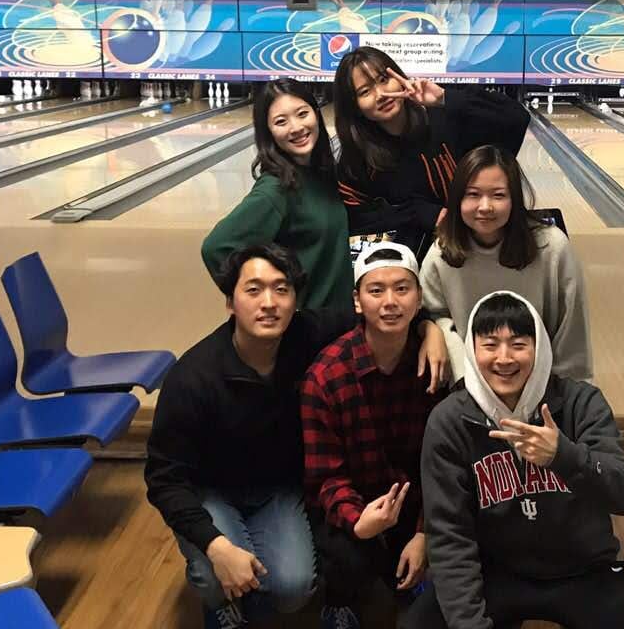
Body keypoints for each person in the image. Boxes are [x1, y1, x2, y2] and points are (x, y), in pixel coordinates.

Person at [145, 243, 447, 629]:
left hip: (277, 489)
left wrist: (429, 328)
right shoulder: (193, 378)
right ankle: (216, 596)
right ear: (230, 302)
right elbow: (163, 478)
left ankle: (242, 578)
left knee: (292, 589)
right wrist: (216, 545)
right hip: (210, 491)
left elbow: (384, 312)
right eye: (253, 290)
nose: (269, 303)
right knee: (213, 569)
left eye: (281, 289)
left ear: (294, 301)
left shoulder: (306, 333)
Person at [404, 291, 624, 629]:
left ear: (540, 350)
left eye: (519, 344)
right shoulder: (450, 419)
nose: (504, 358)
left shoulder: (580, 403)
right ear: (471, 350)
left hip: (581, 569)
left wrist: (563, 456)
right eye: (490, 344)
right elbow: (450, 535)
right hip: (493, 570)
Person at [301, 242, 445, 629]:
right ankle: (338, 599)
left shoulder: (435, 366)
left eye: (402, 288)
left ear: (418, 300)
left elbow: (445, 466)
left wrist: (425, 533)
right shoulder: (326, 376)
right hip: (355, 501)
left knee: (432, 567)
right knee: (350, 557)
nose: (390, 301)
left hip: (411, 504)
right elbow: (324, 478)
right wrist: (357, 520)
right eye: (376, 290)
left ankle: (404, 570)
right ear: (357, 301)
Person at [420, 144, 592, 383]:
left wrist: (569, 393)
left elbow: (570, 328)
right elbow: (432, 312)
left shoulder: (552, 247)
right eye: (473, 194)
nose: (485, 207)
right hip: (468, 384)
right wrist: (462, 377)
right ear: (457, 199)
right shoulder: (443, 250)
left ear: (515, 199)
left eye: (498, 195)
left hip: (541, 385)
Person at [333, 46, 530, 252]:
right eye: (365, 91)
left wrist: (445, 98)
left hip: (480, 244)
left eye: (384, 79)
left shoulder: (448, 119)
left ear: (399, 76)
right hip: (410, 265)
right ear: (354, 107)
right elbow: (352, 217)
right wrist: (417, 213)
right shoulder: (356, 158)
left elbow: (516, 118)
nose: (381, 94)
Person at [201, 79, 352, 310]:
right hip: (307, 329)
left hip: (338, 321)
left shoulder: (320, 173)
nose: (296, 127)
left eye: (302, 114)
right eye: (281, 121)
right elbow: (216, 247)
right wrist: (262, 301)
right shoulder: (275, 190)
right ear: (268, 132)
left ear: (316, 113)